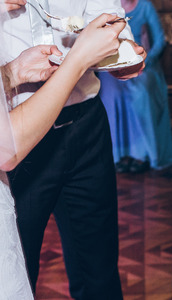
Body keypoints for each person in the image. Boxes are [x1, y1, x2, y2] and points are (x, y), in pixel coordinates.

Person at [4, 1, 146, 298]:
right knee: (18, 262)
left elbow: (111, 20)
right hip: (18, 136)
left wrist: (121, 51)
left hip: (85, 123)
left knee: (98, 265)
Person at [98, 0, 172, 173]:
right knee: (110, 93)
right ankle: (118, 155)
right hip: (111, 65)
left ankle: (141, 154)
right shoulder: (105, 6)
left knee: (141, 93)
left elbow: (159, 40)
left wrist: (143, 61)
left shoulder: (145, 6)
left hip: (143, 64)